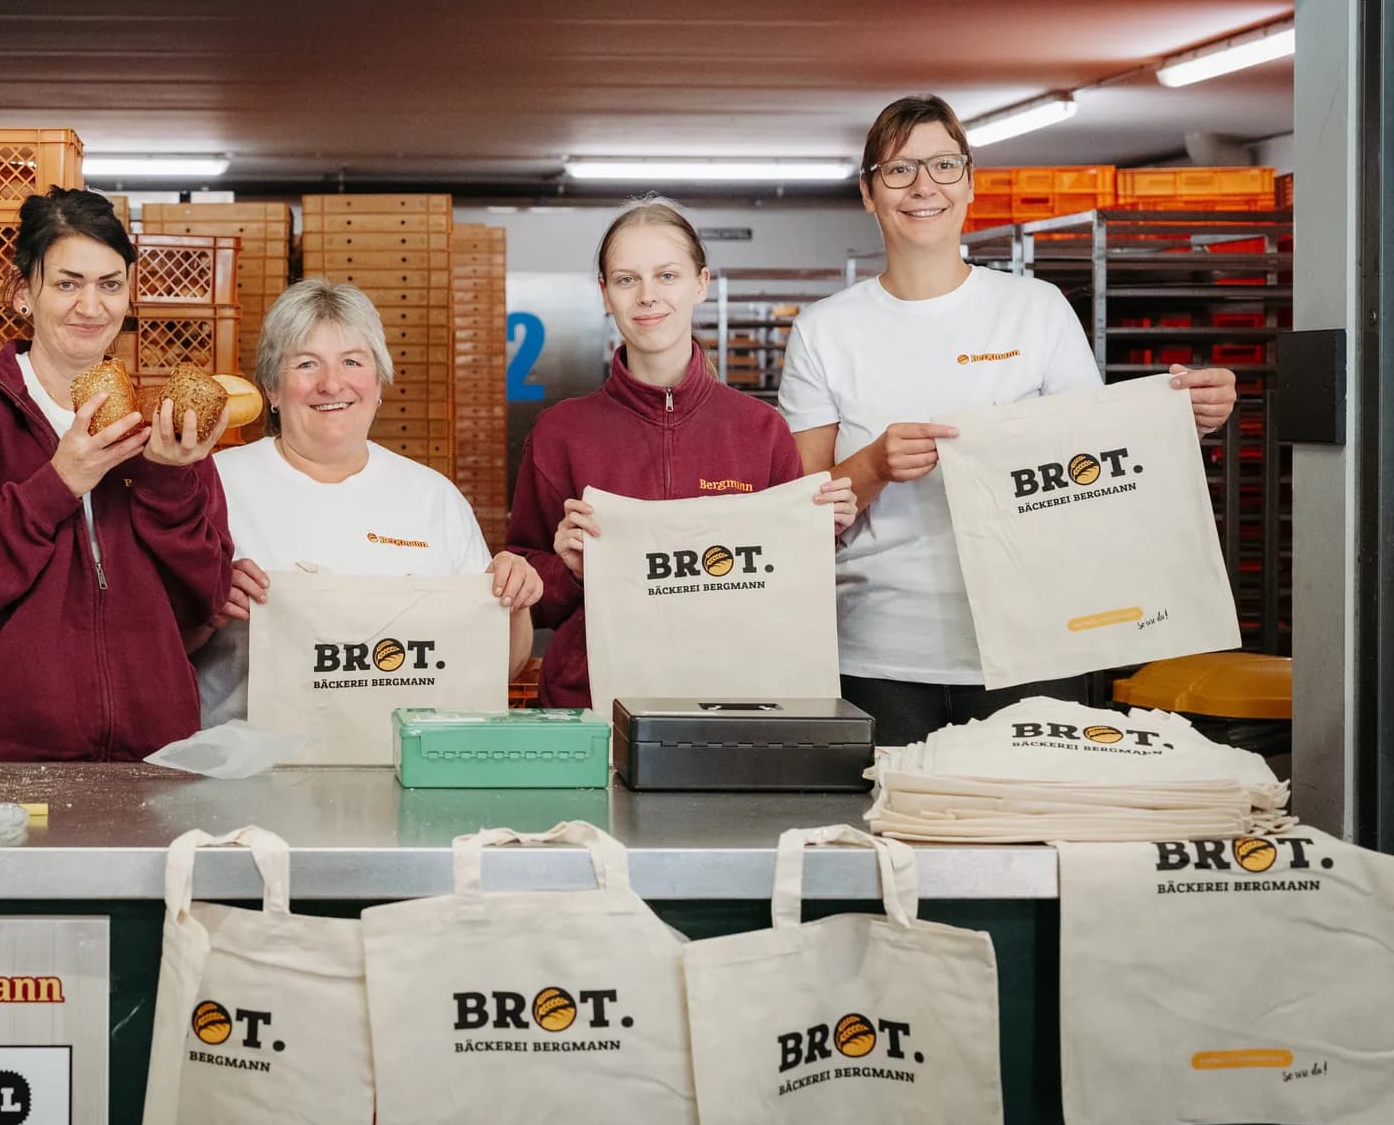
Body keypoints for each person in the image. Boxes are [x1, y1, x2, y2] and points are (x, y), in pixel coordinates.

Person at [778, 94, 1239, 745]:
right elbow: (797, 511)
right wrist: (874, 465)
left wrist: (1182, 417)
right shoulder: (826, 331)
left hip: (1035, 641)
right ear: (868, 192)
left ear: (969, 182)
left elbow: (1095, 460)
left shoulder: (1035, 310)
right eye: (899, 170)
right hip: (877, 652)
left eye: (943, 165)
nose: (923, 187)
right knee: (892, 839)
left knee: (1026, 835)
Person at [0, 187, 234, 761]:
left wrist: (168, 480)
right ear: (24, 292)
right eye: (68, 283)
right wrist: (57, 484)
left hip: (148, 757)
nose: (91, 307)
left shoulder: (160, 420)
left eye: (110, 284)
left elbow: (208, 598)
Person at [507, 198, 855, 709]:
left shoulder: (760, 430)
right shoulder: (560, 432)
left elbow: (789, 593)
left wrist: (819, 533)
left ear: (701, 283)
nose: (648, 296)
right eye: (626, 280)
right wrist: (569, 569)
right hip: (593, 702)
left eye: (667, 275)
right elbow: (528, 591)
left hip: (734, 702)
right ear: (605, 293)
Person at [190, 278, 544, 724]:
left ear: (378, 383)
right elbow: (149, 650)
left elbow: (493, 668)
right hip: (247, 773)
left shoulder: (433, 498)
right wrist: (206, 611)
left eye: (352, 362)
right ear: (272, 391)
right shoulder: (214, 486)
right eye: (305, 364)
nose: (331, 383)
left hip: (401, 770)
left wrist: (514, 600)